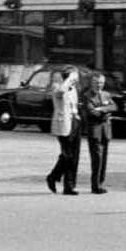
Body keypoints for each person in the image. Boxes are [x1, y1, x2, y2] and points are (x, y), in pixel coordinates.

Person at [44, 66, 81, 195]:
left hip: (74, 122)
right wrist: (70, 78)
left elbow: (73, 105)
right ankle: (53, 176)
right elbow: (60, 92)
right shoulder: (57, 86)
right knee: (67, 155)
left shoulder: (73, 89)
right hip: (63, 124)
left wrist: (76, 115)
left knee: (73, 156)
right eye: (75, 76)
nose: (77, 79)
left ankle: (69, 186)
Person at [79, 69, 116, 195]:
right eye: (96, 82)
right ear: (91, 83)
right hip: (95, 131)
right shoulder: (87, 95)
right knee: (97, 159)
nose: (99, 85)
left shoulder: (106, 94)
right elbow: (90, 112)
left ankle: (101, 183)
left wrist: (101, 109)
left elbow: (114, 107)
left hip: (106, 131)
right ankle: (95, 186)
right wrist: (105, 112)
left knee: (104, 159)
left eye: (101, 82)